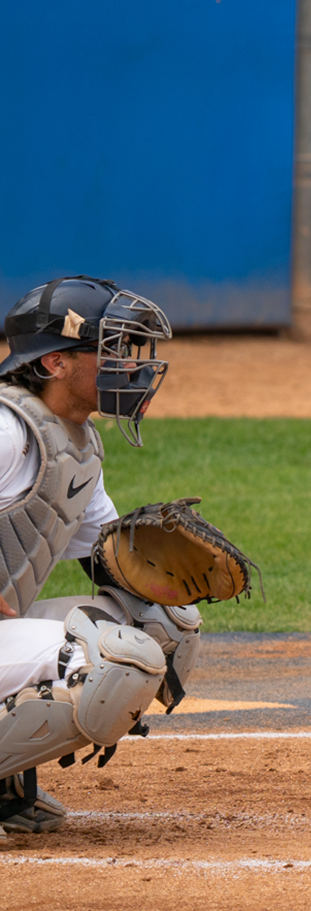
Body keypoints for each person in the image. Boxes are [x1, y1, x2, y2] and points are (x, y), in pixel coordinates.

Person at [0, 278, 193, 833]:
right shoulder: (9, 430)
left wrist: (171, 579)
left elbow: (111, 562)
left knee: (163, 625)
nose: (127, 365)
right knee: (112, 660)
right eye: (109, 350)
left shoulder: (74, 444)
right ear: (55, 362)